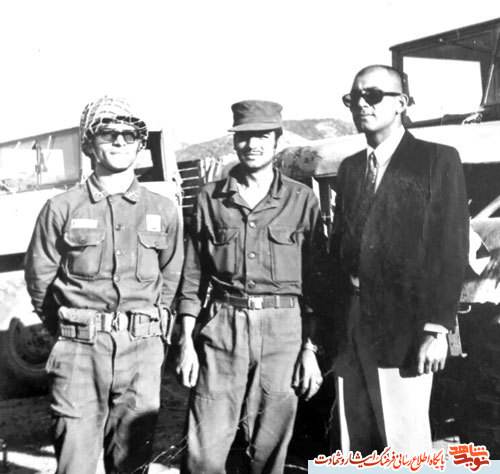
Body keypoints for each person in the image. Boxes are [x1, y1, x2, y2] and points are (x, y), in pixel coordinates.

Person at [25, 96, 183, 474]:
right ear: (89, 144)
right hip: (79, 352)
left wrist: (152, 329)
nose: (120, 141)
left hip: (142, 350)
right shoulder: (62, 208)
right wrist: (70, 329)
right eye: (109, 134)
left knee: (132, 462)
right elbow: (39, 278)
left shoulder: (162, 209)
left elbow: (172, 275)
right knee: (74, 462)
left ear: (140, 145)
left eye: (130, 134)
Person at [176, 100, 326, 474]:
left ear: (277, 140)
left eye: (262, 136)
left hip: (283, 331)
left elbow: (318, 283)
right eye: (244, 137)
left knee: (270, 446)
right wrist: (185, 342)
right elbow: (193, 276)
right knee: (204, 447)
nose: (252, 144)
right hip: (223, 325)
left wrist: (310, 349)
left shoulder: (301, 199)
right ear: (234, 142)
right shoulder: (210, 198)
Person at [328, 65, 469, 455]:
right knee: (354, 443)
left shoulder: (436, 160)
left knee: (403, 446)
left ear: (401, 103)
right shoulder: (351, 169)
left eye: (373, 95)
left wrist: (437, 330)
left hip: (405, 331)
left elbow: (450, 250)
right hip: (352, 326)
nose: (361, 104)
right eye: (353, 98)